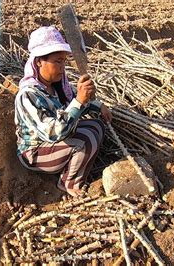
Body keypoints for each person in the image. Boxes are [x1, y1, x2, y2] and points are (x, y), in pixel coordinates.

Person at [14, 26, 112, 197]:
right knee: (86, 138)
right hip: (35, 153)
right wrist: (80, 100)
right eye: (57, 61)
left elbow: (76, 101)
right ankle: (68, 183)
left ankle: (73, 170)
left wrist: (98, 105)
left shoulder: (57, 86)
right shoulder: (29, 94)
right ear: (39, 62)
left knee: (96, 125)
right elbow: (53, 134)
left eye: (64, 61)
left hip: (54, 145)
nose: (62, 67)